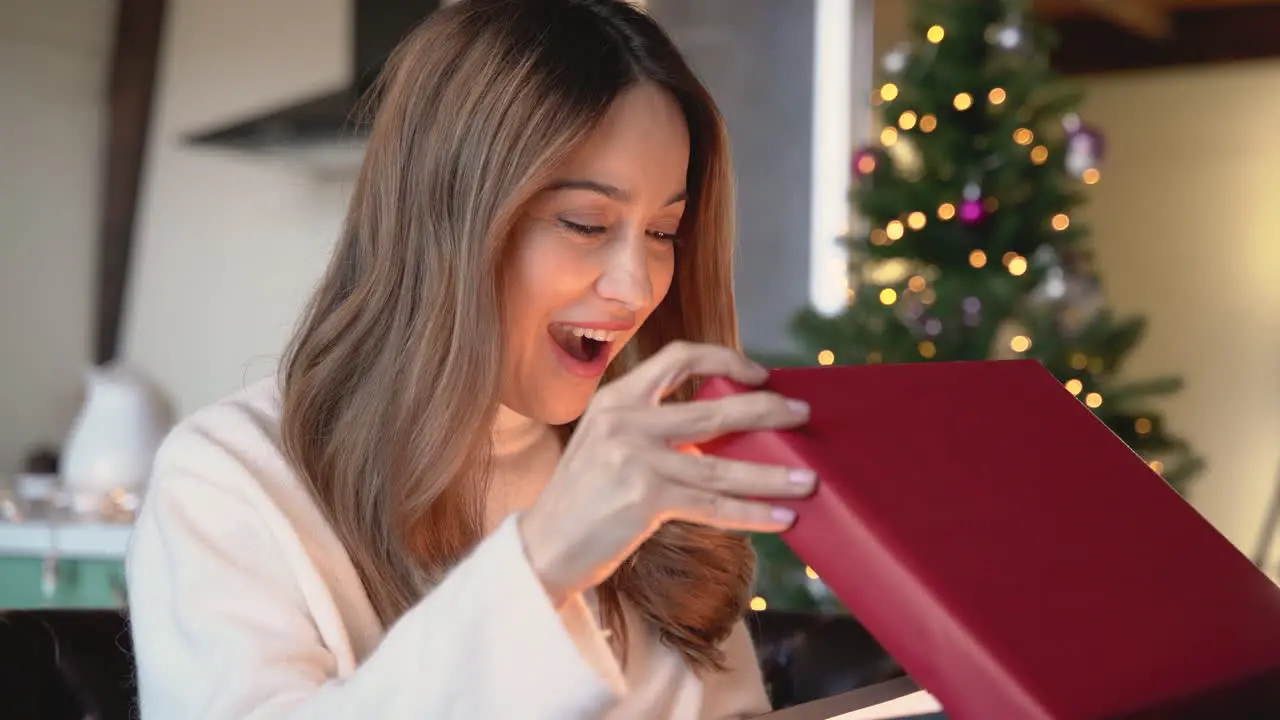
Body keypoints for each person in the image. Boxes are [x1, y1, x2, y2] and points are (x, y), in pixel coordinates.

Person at [125, 0, 818, 717]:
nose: (636, 286)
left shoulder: (644, 471)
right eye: (586, 223)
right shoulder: (227, 480)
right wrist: (546, 555)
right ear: (446, 216)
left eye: (663, 230)